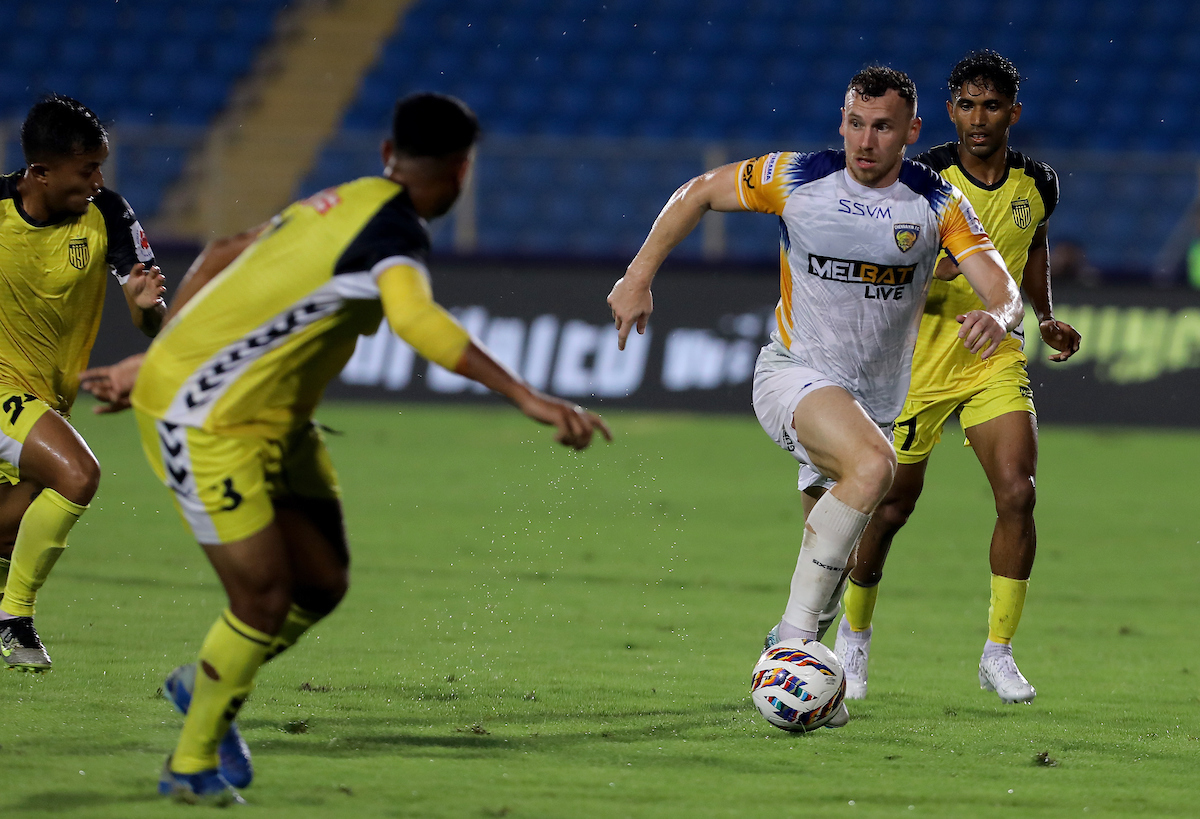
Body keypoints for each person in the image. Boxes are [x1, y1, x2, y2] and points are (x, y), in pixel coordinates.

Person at [80, 92, 610, 805]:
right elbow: (417, 321)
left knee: (322, 583)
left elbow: (228, 251)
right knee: (263, 596)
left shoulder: (345, 198)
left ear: (389, 156)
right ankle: (192, 761)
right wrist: (530, 397)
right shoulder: (391, 239)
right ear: (460, 173)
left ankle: (199, 680)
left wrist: (166, 348)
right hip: (201, 420)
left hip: (276, 419)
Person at [607, 66, 1022, 726]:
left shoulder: (935, 202)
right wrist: (638, 275)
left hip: (871, 401)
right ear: (841, 121)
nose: (866, 139)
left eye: (883, 126)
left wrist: (998, 316)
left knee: (830, 555)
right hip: (791, 375)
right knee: (874, 467)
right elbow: (698, 192)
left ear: (912, 131)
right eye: (855, 122)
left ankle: (804, 676)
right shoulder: (796, 177)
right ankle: (792, 644)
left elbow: (1000, 283)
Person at [835, 51, 1081, 705]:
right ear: (950, 111)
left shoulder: (1038, 184)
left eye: (991, 105)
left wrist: (1046, 314)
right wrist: (926, 270)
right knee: (889, 509)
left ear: (1012, 113)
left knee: (1019, 494)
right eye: (967, 105)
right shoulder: (920, 178)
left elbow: (1033, 248)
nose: (979, 118)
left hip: (993, 357)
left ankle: (997, 653)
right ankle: (853, 640)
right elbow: (869, 257)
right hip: (915, 362)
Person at [0, 95, 166, 671]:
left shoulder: (110, 215)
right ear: (39, 173)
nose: (98, 180)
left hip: (46, 397)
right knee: (78, 474)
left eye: (101, 167)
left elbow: (150, 320)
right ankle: (15, 621)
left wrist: (147, 309)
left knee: (8, 531)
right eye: (86, 170)